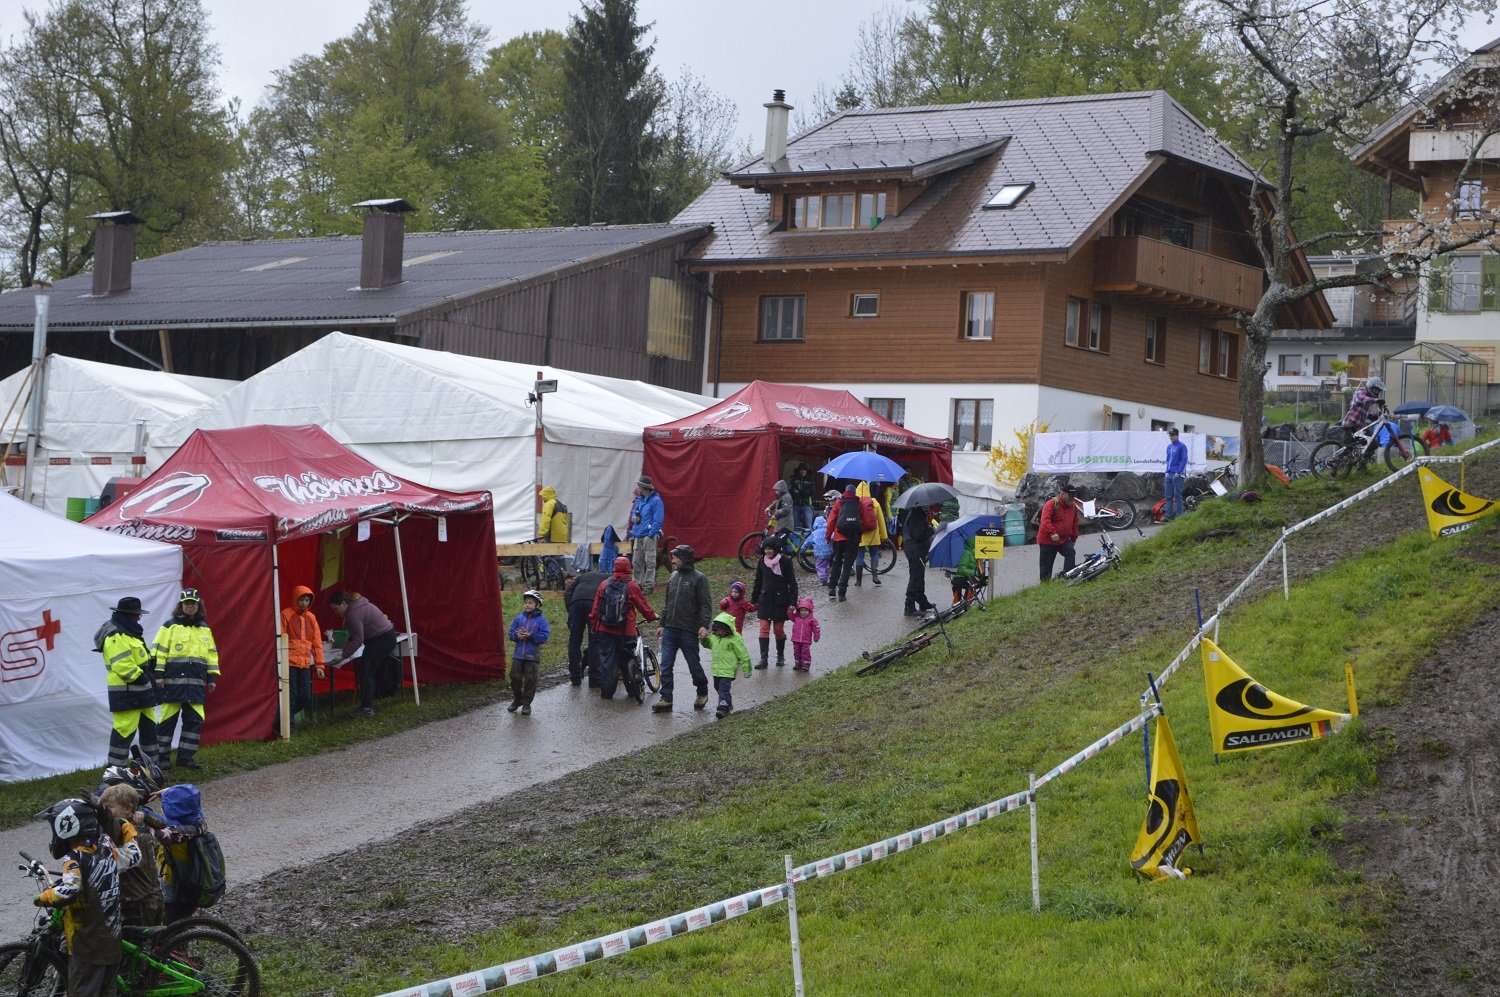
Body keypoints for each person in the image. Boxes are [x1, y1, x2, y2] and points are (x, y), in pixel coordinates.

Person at [34, 797, 141, 997]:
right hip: (111, 941)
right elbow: (134, 856)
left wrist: (43, 897)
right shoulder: (107, 849)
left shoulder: (74, 858)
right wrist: (128, 831)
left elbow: (69, 890)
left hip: (86, 944)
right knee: (107, 991)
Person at [151, 589, 218, 770]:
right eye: (187, 603)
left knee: (194, 722)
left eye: (193, 603)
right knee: (166, 723)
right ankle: (161, 759)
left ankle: (185, 758)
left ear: (198, 605)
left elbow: (211, 655)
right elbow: (158, 652)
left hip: (195, 685)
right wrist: (158, 675)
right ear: (181, 606)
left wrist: (212, 678)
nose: (190, 606)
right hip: (172, 685)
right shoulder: (169, 626)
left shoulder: (205, 629)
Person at [96, 596, 158, 769]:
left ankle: (152, 769)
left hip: (141, 692)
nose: (139, 618)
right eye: (137, 614)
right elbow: (123, 666)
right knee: (124, 732)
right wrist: (143, 677)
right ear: (127, 615)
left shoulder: (130, 632)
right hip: (127, 694)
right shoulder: (116, 635)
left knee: (150, 730)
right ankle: (115, 773)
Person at [652, 544, 713, 714]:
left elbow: (705, 604)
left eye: (675, 558)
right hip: (670, 630)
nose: (672, 561)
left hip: (688, 630)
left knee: (693, 665)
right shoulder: (673, 577)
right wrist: (662, 624)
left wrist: (704, 625)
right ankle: (666, 698)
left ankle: (702, 691)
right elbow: (667, 603)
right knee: (665, 665)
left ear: (685, 559)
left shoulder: (699, 579)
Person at [589, 556, 658, 701]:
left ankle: (607, 693)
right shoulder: (631, 586)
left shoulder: (603, 585)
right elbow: (643, 606)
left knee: (608, 661)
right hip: (626, 631)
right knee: (627, 659)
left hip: (605, 630)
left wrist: (594, 627)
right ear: (629, 569)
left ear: (614, 568)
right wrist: (652, 616)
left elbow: (595, 609)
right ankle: (633, 690)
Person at [99, 783, 164, 927]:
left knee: (138, 940)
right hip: (152, 895)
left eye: (109, 808)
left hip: (138, 900)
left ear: (128, 808)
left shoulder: (126, 833)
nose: (105, 813)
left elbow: (111, 828)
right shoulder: (142, 827)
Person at [328, 591, 398, 718]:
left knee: (366, 672)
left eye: (336, 609)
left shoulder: (353, 614)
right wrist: (345, 650)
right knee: (367, 670)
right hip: (385, 636)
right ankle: (370, 702)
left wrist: (343, 656)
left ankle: (366, 708)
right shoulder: (357, 606)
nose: (335, 613)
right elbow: (354, 635)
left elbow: (357, 639)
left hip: (381, 639)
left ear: (343, 603)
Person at [751, 535, 799, 668]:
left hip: (780, 601)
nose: (768, 551)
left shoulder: (785, 562)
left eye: (770, 549)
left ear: (776, 549)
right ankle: (764, 659)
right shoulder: (762, 562)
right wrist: (754, 599)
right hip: (765, 600)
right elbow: (758, 581)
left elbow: (792, 583)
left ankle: (780, 656)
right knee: (764, 629)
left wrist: (792, 602)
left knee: (778, 630)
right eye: (766, 549)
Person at [279, 585, 323, 726]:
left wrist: (319, 664)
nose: (304, 603)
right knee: (291, 696)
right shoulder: (286, 614)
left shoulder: (312, 618)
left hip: (304, 664)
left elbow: (317, 643)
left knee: (305, 696)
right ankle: (288, 726)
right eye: (301, 599)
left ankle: (282, 720)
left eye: (307, 600)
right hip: (289, 663)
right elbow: (280, 639)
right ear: (295, 599)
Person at [701, 612, 752, 719]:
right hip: (716, 669)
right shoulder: (714, 637)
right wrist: (703, 639)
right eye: (716, 630)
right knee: (717, 687)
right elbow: (708, 645)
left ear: (727, 629)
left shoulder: (735, 639)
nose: (718, 632)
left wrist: (746, 669)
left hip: (728, 670)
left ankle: (723, 708)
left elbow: (743, 654)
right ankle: (727, 703)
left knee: (724, 688)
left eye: (721, 630)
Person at [507, 590, 550, 716]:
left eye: (530, 603)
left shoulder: (541, 621)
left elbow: (544, 637)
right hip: (518, 654)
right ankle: (517, 699)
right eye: (526, 602)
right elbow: (511, 632)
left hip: (532, 655)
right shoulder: (518, 618)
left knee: (530, 680)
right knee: (514, 677)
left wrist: (531, 636)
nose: (527, 605)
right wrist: (516, 635)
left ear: (537, 605)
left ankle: (526, 704)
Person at [564, 567, 608, 687]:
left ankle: (575, 677)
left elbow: (567, 593)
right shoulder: (609, 578)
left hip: (576, 603)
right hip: (593, 603)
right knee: (594, 641)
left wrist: (570, 611)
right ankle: (594, 679)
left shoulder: (584, 576)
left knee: (574, 640)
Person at [825, 485, 864, 601]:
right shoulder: (859, 504)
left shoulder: (839, 503)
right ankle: (842, 593)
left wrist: (828, 536)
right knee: (847, 565)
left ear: (845, 492)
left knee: (837, 562)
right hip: (853, 539)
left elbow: (831, 521)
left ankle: (832, 588)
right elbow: (864, 521)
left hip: (839, 538)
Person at [628, 475, 664, 594]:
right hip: (638, 534)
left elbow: (658, 520)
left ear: (644, 487)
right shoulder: (639, 500)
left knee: (650, 562)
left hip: (649, 536)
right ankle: (636, 585)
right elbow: (634, 514)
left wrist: (651, 534)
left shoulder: (656, 501)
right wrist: (634, 519)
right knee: (636, 562)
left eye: (639, 486)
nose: (638, 488)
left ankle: (648, 586)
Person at [902, 505, 939, 618]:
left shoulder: (917, 513)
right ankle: (909, 606)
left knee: (919, 576)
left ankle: (922, 601)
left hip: (916, 550)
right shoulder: (916, 516)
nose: (928, 506)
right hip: (915, 551)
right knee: (915, 577)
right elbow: (918, 535)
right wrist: (931, 530)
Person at [1038, 483, 1081, 582]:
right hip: (1047, 540)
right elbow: (1045, 520)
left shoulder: (1073, 506)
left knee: (1070, 552)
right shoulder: (1051, 504)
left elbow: (1075, 523)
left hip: (1063, 539)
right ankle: (1045, 585)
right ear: (1063, 494)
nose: (1072, 499)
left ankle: (1068, 577)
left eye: (1073, 497)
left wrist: (1073, 538)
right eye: (1070, 496)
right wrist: (1052, 533)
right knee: (1046, 567)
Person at [853, 481, 888, 587]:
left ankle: (858, 581)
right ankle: (875, 576)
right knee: (874, 554)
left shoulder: (854, 503)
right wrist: (884, 536)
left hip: (860, 534)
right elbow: (881, 520)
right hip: (873, 534)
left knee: (859, 556)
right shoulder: (874, 502)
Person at [538, 485, 570, 582]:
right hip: (562, 537)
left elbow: (545, 520)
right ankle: (559, 578)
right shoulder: (562, 505)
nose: (542, 498)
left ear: (546, 495)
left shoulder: (549, 504)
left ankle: (551, 578)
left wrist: (542, 535)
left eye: (542, 496)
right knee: (557, 559)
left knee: (547, 558)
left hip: (552, 536)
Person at [811, 491, 838, 584]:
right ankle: (829, 575)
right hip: (830, 534)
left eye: (832, 500)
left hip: (833, 532)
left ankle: (824, 577)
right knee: (830, 559)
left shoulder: (814, 533)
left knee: (823, 564)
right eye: (829, 501)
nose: (831, 502)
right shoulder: (828, 509)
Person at [789, 596, 821, 672]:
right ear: (799, 611)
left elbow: (816, 629)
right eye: (802, 610)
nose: (804, 612)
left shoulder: (812, 620)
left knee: (805, 653)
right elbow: (790, 615)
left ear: (809, 611)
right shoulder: (796, 618)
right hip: (796, 639)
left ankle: (805, 665)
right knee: (796, 652)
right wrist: (791, 609)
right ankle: (797, 664)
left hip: (806, 640)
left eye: (806, 610)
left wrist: (816, 637)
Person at [1163, 428, 1188, 521]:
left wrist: (1179, 471)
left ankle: (1179, 516)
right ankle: (1168, 516)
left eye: (1173, 435)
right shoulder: (1169, 447)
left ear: (1177, 435)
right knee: (1168, 496)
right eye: (1170, 435)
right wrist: (1167, 471)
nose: (1171, 437)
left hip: (1177, 475)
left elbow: (1184, 459)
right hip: (1169, 474)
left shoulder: (1182, 446)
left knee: (1178, 496)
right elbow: (1168, 460)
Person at [789, 463, 816, 531]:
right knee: (796, 526)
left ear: (806, 471)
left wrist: (802, 492)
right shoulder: (794, 479)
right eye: (801, 470)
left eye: (804, 470)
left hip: (807, 505)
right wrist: (795, 493)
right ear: (799, 470)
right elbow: (790, 490)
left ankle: (809, 538)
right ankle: (797, 538)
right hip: (795, 505)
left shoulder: (810, 480)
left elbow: (812, 492)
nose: (803, 471)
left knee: (808, 526)